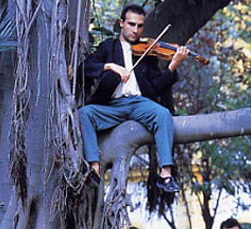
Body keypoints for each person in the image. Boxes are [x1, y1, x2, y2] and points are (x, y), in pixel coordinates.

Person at [79, 4, 189, 191]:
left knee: (162, 114)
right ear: (121, 23)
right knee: (85, 113)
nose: (135, 30)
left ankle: (165, 174)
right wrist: (109, 66)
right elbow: (85, 68)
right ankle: (94, 168)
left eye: (140, 26)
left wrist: (172, 66)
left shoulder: (147, 53)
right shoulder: (109, 47)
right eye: (131, 24)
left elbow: (155, 88)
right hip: (112, 105)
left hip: (138, 104)